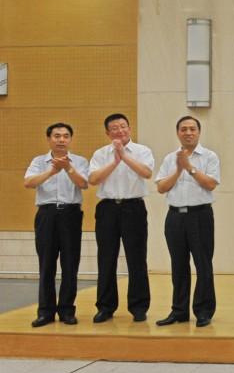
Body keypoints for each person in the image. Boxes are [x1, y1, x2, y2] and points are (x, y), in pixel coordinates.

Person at [88, 113, 155, 323]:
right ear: (108, 133)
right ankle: (105, 307)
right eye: (115, 128)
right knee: (106, 258)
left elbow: (146, 173)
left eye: (123, 126)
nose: (120, 130)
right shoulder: (100, 154)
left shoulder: (142, 151)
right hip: (107, 208)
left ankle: (139, 306)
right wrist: (114, 162)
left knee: (137, 258)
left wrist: (124, 156)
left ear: (129, 128)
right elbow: (93, 179)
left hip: (133, 207)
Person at [154, 116, 220, 328]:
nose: (188, 133)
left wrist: (189, 167)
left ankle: (203, 311)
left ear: (199, 132)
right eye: (184, 129)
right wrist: (178, 169)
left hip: (200, 215)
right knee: (178, 265)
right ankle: (179, 311)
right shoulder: (169, 158)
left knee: (203, 264)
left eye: (192, 129)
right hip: (175, 217)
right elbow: (161, 187)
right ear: (178, 133)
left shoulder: (209, 156)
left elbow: (210, 184)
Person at [24, 123, 89, 327]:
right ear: (49, 139)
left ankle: (67, 310)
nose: (61, 139)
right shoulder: (39, 161)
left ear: (70, 139)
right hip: (47, 214)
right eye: (57, 136)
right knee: (46, 264)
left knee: (70, 264)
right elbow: (29, 182)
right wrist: (51, 171)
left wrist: (68, 168)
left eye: (66, 136)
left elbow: (84, 184)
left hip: (70, 214)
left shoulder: (80, 161)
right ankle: (45, 312)